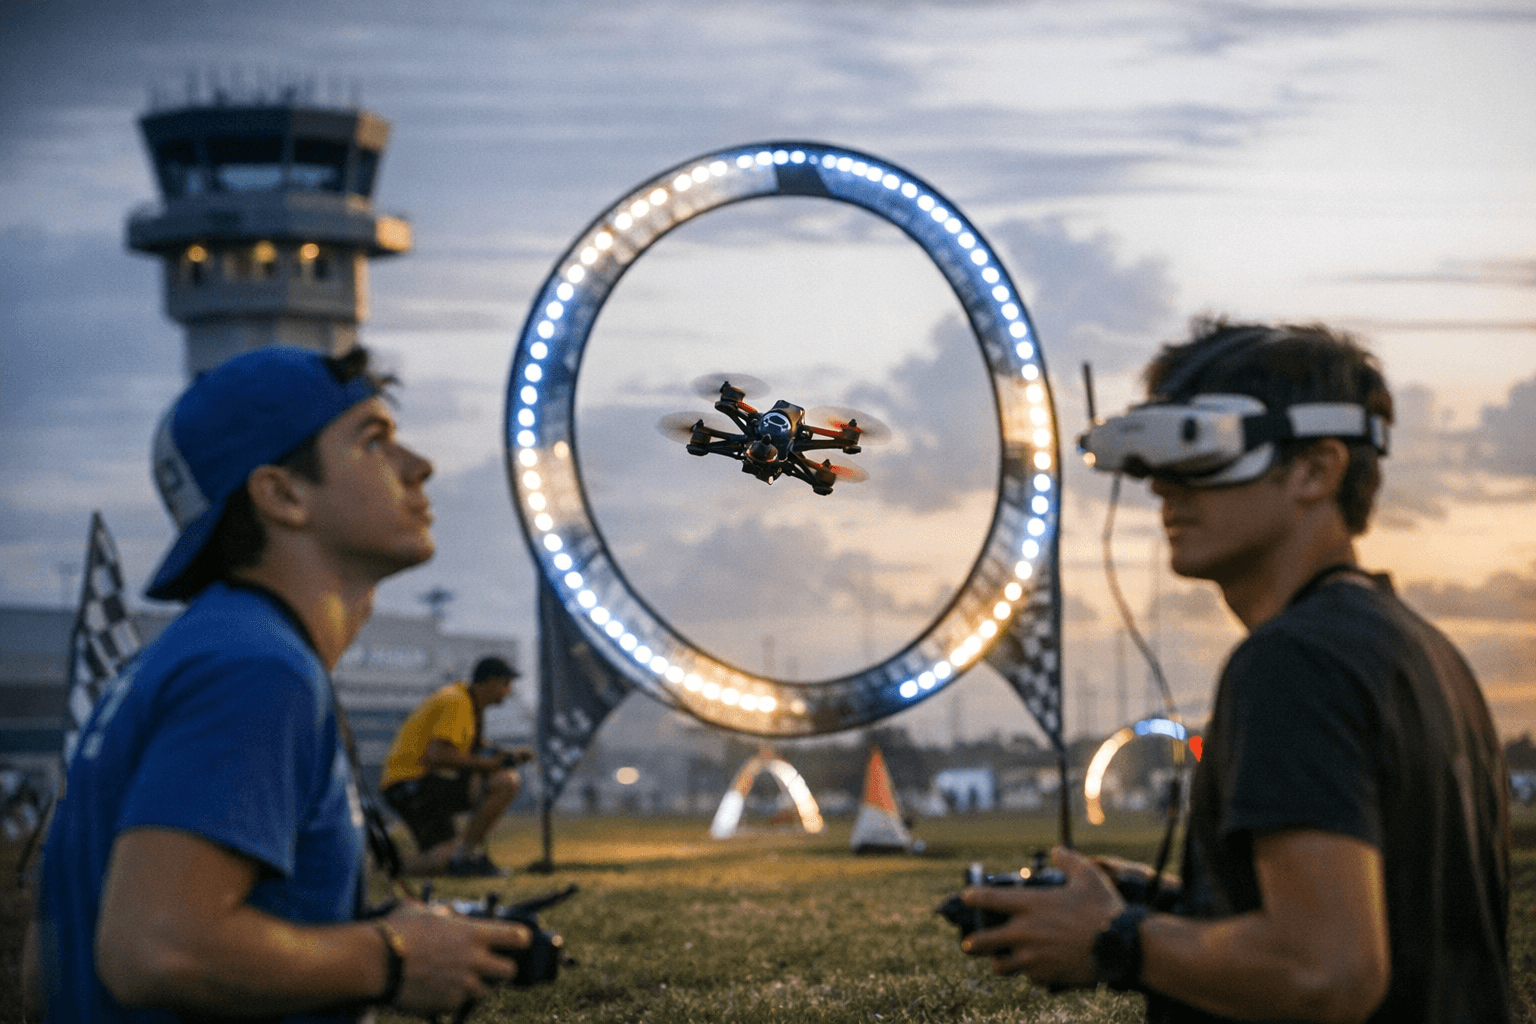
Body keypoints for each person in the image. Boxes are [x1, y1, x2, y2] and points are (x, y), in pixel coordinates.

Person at [960, 318, 1510, 1023]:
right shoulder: (1422, 648)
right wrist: (1152, 903)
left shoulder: (1292, 662)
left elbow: (1327, 971)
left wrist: (1114, 941)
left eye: (1201, 449)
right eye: (1156, 459)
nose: (1165, 488)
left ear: (1317, 470)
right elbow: (1385, 919)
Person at [26, 346, 530, 1022]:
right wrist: (393, 958)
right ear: (282, 494)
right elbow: (155, 949)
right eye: (373, 441)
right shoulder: (256, 669)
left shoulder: (183, 657)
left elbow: (45, 968)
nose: (420, 465)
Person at [381, 655, 534, 877]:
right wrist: (491, 764)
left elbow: (467, 747)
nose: (509, 690)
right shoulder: (457, 702)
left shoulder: (466, 702)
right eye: (506, 683)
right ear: (491, 682)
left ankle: (385, 863)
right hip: (411, 784)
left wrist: (504, 755)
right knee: (505, 781)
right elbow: (438, 755)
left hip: (415, 784)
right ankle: (465, 855)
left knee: (442, 862)